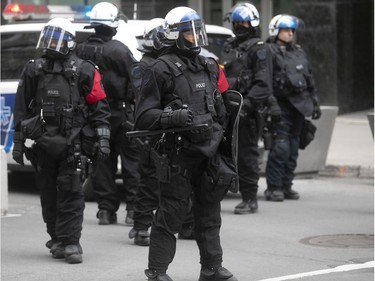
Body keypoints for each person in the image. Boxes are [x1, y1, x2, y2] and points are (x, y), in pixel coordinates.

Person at [134, 6, 238, 281]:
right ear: (174, 35)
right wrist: (171, 116)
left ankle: (212, 268)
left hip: (210, 150)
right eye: (189, 33)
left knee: (209, 212)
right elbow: (143, 116)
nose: (196, 37)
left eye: (197, 31)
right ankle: (157, 272)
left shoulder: (208, 65)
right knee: (171, 213)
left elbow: (221, 108)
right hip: (177, 153)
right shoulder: (159, 68)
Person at [12, 17, 111, 263]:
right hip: (42, 143)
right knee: (48, 193)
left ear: (69, 42)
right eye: (49, 38)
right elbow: (22, 107)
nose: (52, 44)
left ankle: (71, 242)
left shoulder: (85, 69)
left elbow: (99, 107)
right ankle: (56, 237)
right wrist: (17, 140)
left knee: (72, 192)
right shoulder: (34, 69)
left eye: (57, 39)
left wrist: (103, 138)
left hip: (74, 143)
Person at [129, 18, 196, 247]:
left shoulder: (170, 64)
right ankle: (141, 226)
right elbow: (145, 103)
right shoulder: (146, 66)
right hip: (151, 130)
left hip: (173, 128)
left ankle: (187, 223)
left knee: (181, 179)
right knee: (150, 178)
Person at [75, 2, 140, 225]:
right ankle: (133, 211)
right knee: (132, 163)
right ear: (113, 26)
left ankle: (105, 210)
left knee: (102, 163)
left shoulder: (80, 49)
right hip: (120, 114)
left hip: (93, 116)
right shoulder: (119, 50)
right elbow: (137, 80)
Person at [221, 3, 280, 214]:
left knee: (246, 155)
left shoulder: (260, 49)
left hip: (248, 110)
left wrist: (246, 105)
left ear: (252, 23)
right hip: (226, 108)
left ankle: (249, 198)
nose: (239, 26)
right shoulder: (229, 45)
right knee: (222, 152)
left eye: (243, 22)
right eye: (236, 22)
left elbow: (264, 85)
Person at [264, 14, 321, 201]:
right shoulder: (269, 52)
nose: (290, 33)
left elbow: (309, 79)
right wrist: (271, 105)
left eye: (291, 30)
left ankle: (286, 185)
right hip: (281, 106)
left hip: (299, 107)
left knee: (294, 147)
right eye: (286, 30)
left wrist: (315, 102)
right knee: (281, 148)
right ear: (275, 30)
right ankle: (274, 188)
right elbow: (265, 82)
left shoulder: (298, 52)